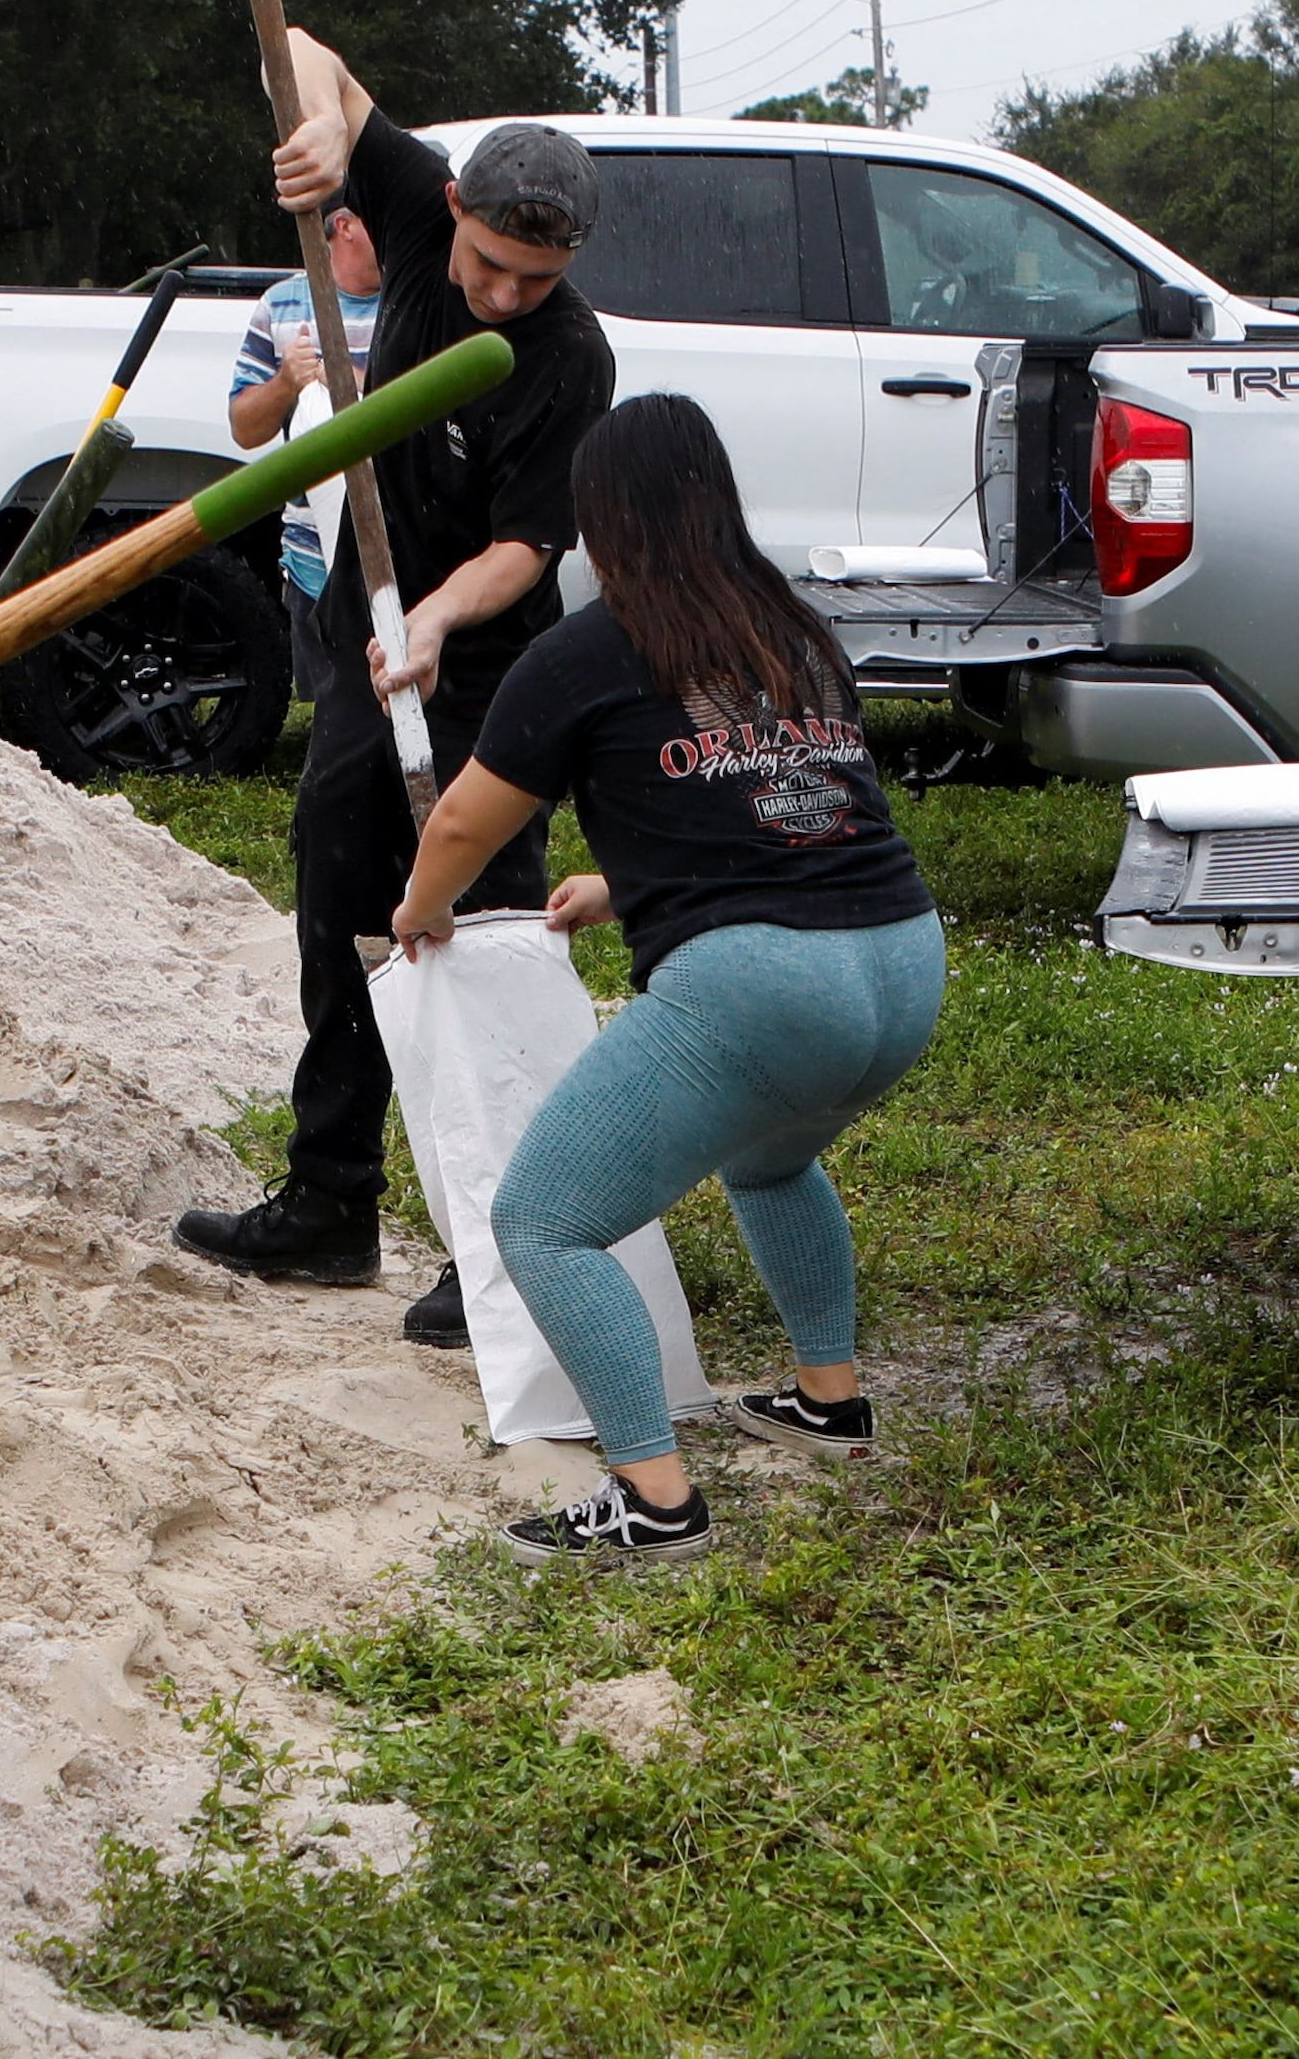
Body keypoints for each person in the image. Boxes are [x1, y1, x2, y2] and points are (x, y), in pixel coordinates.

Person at [390, 395, 943, 1564]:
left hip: (761, 987)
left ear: (599, 521)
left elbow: (457, 825)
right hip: (901, 960)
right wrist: (619, 888)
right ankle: (828, 1399)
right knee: (771, 1155)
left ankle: (651, 1499)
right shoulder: (789, 627)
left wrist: (419, 911)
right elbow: (781, 803)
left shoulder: (585, 649)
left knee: (541, 1223)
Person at [173, 40, 616, 1350]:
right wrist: (316, 129)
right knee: (343, 908)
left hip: (482, 666)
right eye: (485, 264)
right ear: (454, 216)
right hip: (360, 630)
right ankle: (331, 1201)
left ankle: (499, 1244)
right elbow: (308, 52)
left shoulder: (569, 361)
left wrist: (432, 617)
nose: (500, 293)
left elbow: (529, 548)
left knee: (474, 939)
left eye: (535, 279)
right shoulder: (422, 206)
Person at [224, 198, 379, 626]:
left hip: (402, 558)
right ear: (345, 226)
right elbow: (245, 429)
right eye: (381, 214)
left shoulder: (416, 302)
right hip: (311, 569)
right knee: (330, 693)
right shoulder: (281, 305)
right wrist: (286, 383)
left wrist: (353, 380)